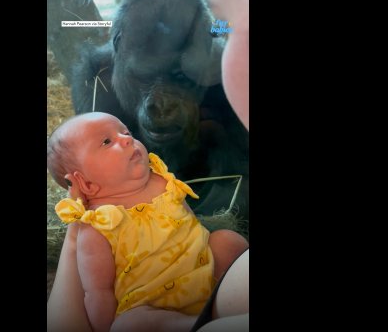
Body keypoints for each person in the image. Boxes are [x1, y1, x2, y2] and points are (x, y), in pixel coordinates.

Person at [47, 0, 251, 328]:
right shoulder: (99, 79)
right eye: (147, 77)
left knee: (230, 238)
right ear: (118, 48)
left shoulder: (225, 78)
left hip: (198, 232)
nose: (162, 105)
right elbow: (104, 189)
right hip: (141, 253)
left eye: (181, 79)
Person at [47, 111, 249, 332]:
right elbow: (98, 291)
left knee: (226, 240)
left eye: (126, 132)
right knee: (128, 324)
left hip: (205, 269)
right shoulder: (98, 226)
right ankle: (198, 325)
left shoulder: (162, 180)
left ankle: (226, 301)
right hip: (152, 304)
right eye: (107, 142)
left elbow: (193, 227)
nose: (127, 139)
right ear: (85, 184)